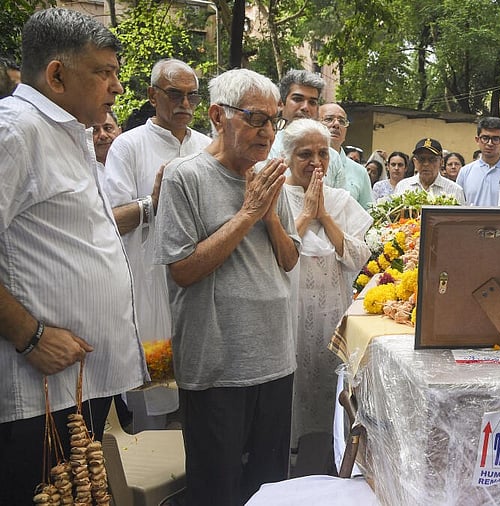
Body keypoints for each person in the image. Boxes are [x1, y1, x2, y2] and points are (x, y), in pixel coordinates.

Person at [0, 9, 145, 504]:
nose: (117, 87)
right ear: (57, 75)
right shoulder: (15, 131)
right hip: (37, 387)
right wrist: (29, 335)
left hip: (78, 383)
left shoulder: (67, 132)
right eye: (104, 72)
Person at [154, 68, 300, 506]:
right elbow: (182, 269)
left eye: (274, 120)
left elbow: (289, 259)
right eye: (256, 118)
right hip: (218, 365)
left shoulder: (270, 177)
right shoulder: (185, 176)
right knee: (216, 489)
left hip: (274, 358)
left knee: (269, 488)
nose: (268, 131)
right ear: (218, 116)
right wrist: (248, 213)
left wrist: (269, 215)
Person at [102, 58, 212, 363]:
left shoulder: (208, 148)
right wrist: (152, 203)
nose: (185, 104)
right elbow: (111, 221)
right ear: (153, 95)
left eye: (192, 96)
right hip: (147, 283)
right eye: (175, 94)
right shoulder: (128, 146)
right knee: (155, 381)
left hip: (199, 282)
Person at [281, 119, 373, 476]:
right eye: (305, 154)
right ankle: (288, 472)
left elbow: (358, 257)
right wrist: (306, 214)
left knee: (327, 388)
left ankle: (328, 468)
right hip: (288, 315)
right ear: (288, 157)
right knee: (291, 393)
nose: (316, 162)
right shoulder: (274, 197)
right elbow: (274, 255)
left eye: (323, 153)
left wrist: (324, 216)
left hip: (332, 314)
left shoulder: (340, 200)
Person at [318, 103, 373, 208]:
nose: (336, 124)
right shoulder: (304, 163)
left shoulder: (360, 172)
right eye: (329, 119)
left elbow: (369, 210)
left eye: (342, 121)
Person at [456, 117, 500, 206]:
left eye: (495, 139)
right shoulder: (465, 172)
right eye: (485, 138)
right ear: (477, 140)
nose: (490, 143)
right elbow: (458, 205)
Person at [271, 68, 324, 160]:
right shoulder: (267, 148)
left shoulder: (331, 156)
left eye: (312, 102)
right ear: (281, 104)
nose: (305, 107)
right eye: (297, 99)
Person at [395, 138, 466, 202]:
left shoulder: (455, 190)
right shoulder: (403, 187)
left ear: (441, 162)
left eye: (432, 159)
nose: (426, 164)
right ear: (415, 162)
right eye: (421, 159)